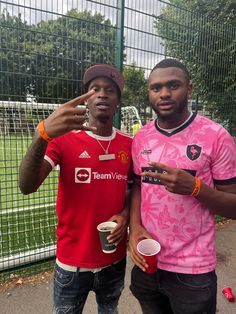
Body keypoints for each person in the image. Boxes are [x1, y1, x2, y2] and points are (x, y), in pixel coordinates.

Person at [19, 64, 133, 314]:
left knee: (110, 310)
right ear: (86, 98)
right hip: (72, 265)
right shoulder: (63, 139)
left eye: (110, 90)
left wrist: (125, 216)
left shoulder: (129, 144)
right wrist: (42, 135)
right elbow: (27, 186)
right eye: (95, 89)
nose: (102, 94)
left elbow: (133, 191)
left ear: (117, 100)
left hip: (114, 261)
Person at [128, 58, 236, 314]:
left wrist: (196, 187)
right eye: (156, 88)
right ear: (149, 93)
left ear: (189, 89)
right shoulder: (141, 137)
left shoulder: (216, 136)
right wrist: (135, 229)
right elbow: (138, 187)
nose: (164, 93)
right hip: (147, 262)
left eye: (173, 85)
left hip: (193, 271)